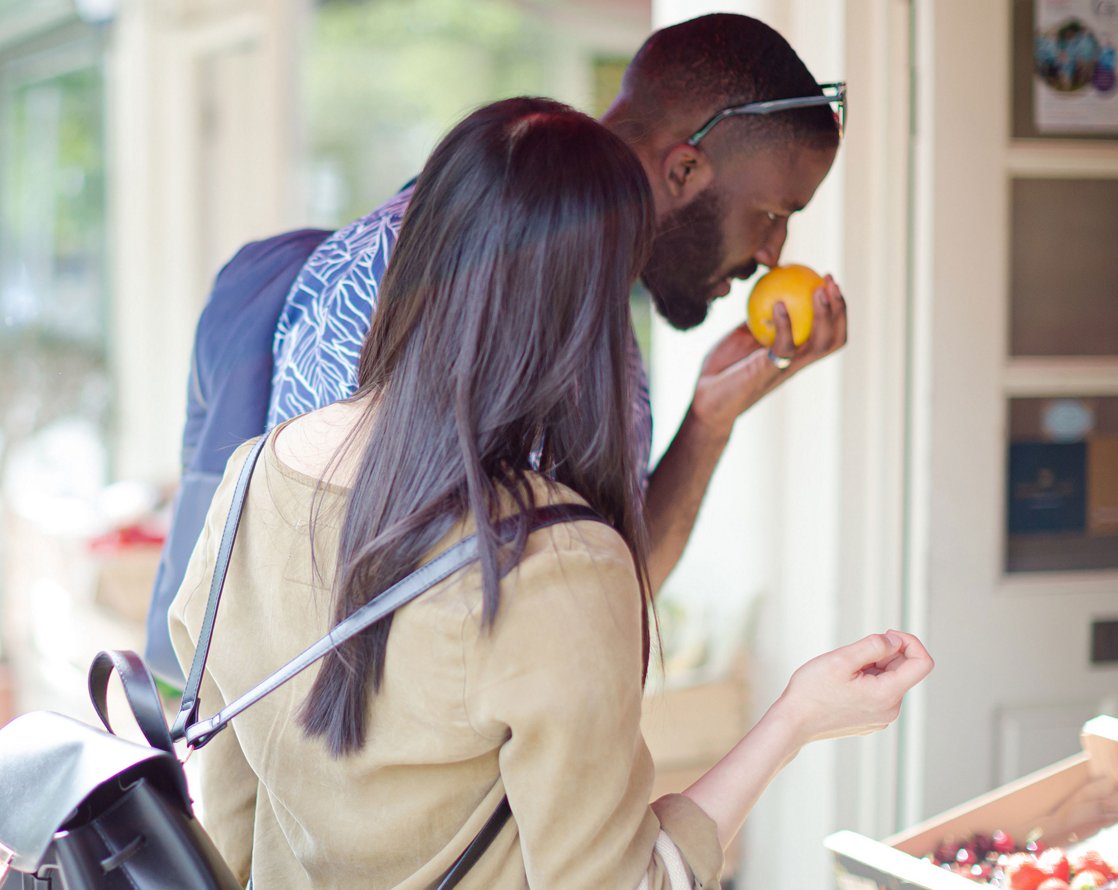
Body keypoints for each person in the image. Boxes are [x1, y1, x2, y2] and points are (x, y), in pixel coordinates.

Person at [168, 96, 931, 890]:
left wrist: (710, 417)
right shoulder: (554, 557)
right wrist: (796, 718)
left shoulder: (253, 478)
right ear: (586, 301)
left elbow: (225, 827)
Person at [147, 12, 849, 683]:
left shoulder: (604, 327)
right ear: (685, 172)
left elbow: (603, 599)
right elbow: (308, 613)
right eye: (773, 215)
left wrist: (708, 423)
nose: (771, 251)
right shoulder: (384, 276)